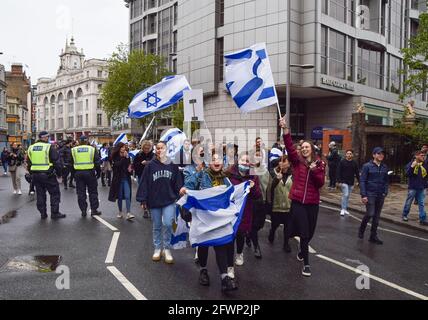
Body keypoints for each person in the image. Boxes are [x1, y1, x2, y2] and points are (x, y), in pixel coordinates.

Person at [180, 150, 238, 292]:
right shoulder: (201, 175)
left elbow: (233, 194)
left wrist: (246, 188)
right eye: (213, 159)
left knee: (221, 246)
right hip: (203, 219)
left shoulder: (226, 179)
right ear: (208, 162)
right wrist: (185, 189)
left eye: (219, 159)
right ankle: (203, 271)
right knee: (204, 245)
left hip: (218, 220)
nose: (217, 161)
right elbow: (188, 186)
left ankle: (224, 278)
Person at [279, 117, 326, 277]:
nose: (304, 149)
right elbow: (290, 147)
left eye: (307, 147)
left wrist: (314, 171)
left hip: (312, 203)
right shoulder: (297, 161)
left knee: (310, 233)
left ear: (312, 149)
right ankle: (306, 264)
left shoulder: (320, 164)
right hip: (298, 202)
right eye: (302, 147)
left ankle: (302, 250)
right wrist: (285, 130)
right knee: (304, 234)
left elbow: (320, 184)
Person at [137, 141, 183, 264]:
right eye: (157, 148)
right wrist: (143, 199)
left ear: (166, 149)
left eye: (162, 148)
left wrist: (181, 190)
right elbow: (144, 183)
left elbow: (178, 182)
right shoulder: (150, 165)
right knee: (157, 225)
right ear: (155, 150)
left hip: (169, 199)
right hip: (154, 200)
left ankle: (167, 249)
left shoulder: (172, 165)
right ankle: (157, 248)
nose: (159, 150)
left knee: (168, 224)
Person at [228, 152, 261, 266]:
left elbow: (257, 195)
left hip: (245, 211)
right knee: (230, 235)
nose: (245, 163)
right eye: (243, 160)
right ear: (238, 161)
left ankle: (239, 253)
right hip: (231, 210)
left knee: (240, 234)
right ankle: (229, 262)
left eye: (247, 161)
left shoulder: (253, 176)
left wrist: (253, 188)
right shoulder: (230, 174)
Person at [27, 131, 65, 220]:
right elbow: (57, 162)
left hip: (36, 175)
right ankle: (55, 213)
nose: (48, 139)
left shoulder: (31, 148)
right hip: (48, 175)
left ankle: (43, 213)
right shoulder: (49, 147)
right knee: (54, 193)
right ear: (44, 137)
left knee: (40, 194)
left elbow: (29, 163)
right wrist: (59, 174)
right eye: (47, 137)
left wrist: (32, 173)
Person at [358, 147, 389, 245]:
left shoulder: (384, 167)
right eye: (379, 153)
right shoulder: (367, 166)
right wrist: (363, 195)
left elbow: (386, 181)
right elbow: (362, 181)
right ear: (374, 155)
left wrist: (385, 191)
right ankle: (361, 229)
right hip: (370, 194)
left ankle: (373, 236)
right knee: (370, 213)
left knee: (376, 216)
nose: (381, 155)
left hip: (380, 194)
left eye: (382, 154)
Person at [266, 154, 293, 252]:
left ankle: (286, 243)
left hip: (289, 205)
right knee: (275, 224)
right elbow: (270, 188)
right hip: (276, 205)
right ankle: (272, 232)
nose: (281, 163)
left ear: (289, 164)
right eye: (280, 161)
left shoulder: (293, 174)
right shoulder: (273, 173)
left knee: (288, 226)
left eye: (284, 161)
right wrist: (276, 179)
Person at [71, 136, 102, 217]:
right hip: (90, 173)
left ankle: (83, 210)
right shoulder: (92, 149)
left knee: (81, 193)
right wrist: (98, 173)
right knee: (93, 192)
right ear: (87, 141)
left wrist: (73, 174)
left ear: (79, 141)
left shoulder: (74, 150)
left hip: (78, 173)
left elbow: (71, 163)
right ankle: (94, 210)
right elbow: (97, 162)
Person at [248, 149, 270, 259]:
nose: (258, 158)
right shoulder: (249, 170)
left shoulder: (265, 171)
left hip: (262, 202)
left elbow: (268, 187)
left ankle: (249, 237)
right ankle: (256, 247)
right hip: (251, 202)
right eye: (256, 155)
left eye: (260, 156)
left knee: (259, 225)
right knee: (253, 225)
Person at [108, 143, 135, 221]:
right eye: (122, 147)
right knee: (119, 196)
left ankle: (128, 213)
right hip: (118, 179)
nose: (124, 148)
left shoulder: (127, 156)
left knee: (127, 195)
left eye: (124, 147)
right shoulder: (114, 157)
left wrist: (130, 168)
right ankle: (120, 212)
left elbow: (128, 166)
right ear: (119, 148)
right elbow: (117, 165)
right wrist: (123, 158)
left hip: (126, 178)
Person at [402, 150, 428, 226]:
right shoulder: (410, 164)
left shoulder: (425, 165)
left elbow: (426, 176)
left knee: (421, 203)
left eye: (424, 155)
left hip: (422, 187)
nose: (424, 157)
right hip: (413, 187)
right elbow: (407, 174)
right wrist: (412, 167)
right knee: (409, 202)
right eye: (422, 155)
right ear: (416, 156)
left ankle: (422, 219)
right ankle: (405, 215)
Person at [337, 150, 360, 216]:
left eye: (350, 154)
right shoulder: (342, 162)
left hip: (351, 182)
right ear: (346, 155)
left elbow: (357, 172)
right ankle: (342, 209)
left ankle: (345, 209)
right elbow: (338, 171)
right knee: (345, 194)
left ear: (352, 155)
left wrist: (359, 181)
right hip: (344, 182)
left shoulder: (354, 163)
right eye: (348, 153)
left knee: (348, 196)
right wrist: (339, 181)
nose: (349, 155)